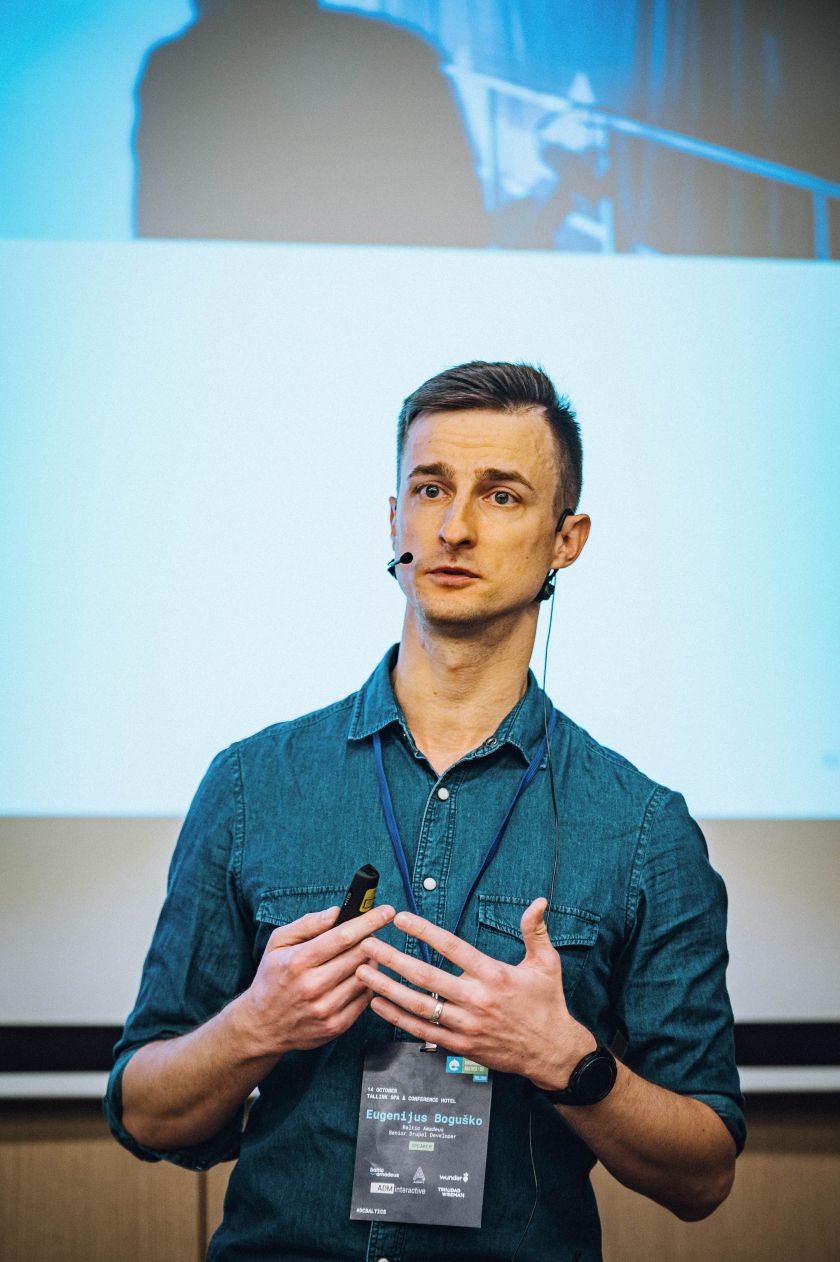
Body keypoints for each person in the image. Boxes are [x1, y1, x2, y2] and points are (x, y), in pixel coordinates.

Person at [105, 361, 744, 1260]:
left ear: (567, 539)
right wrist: (256, 1027)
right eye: (431, 489)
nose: (454, 527)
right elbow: (144, 1113)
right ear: (393, 519)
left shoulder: (644, 829)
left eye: (502, 496)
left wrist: (567, 1061)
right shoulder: (251, 784)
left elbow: (703, 1175)